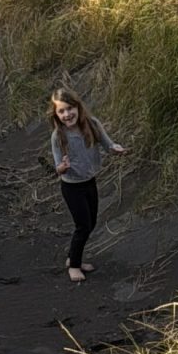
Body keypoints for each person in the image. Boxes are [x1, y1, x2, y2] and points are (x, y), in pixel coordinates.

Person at [49, 86, 124, 281]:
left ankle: (73, 257)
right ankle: (74, 266)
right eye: (61, 111)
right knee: (82, 226)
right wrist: (63, 167)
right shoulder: (58, 135)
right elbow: (57, 167)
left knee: (91, 223)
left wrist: (116, 148)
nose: (67, 114)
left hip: (89, 181)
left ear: (78, 107)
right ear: (56, 115)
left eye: (70, 108)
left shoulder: (92, 124)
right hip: (71, 186)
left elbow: (108, 145)